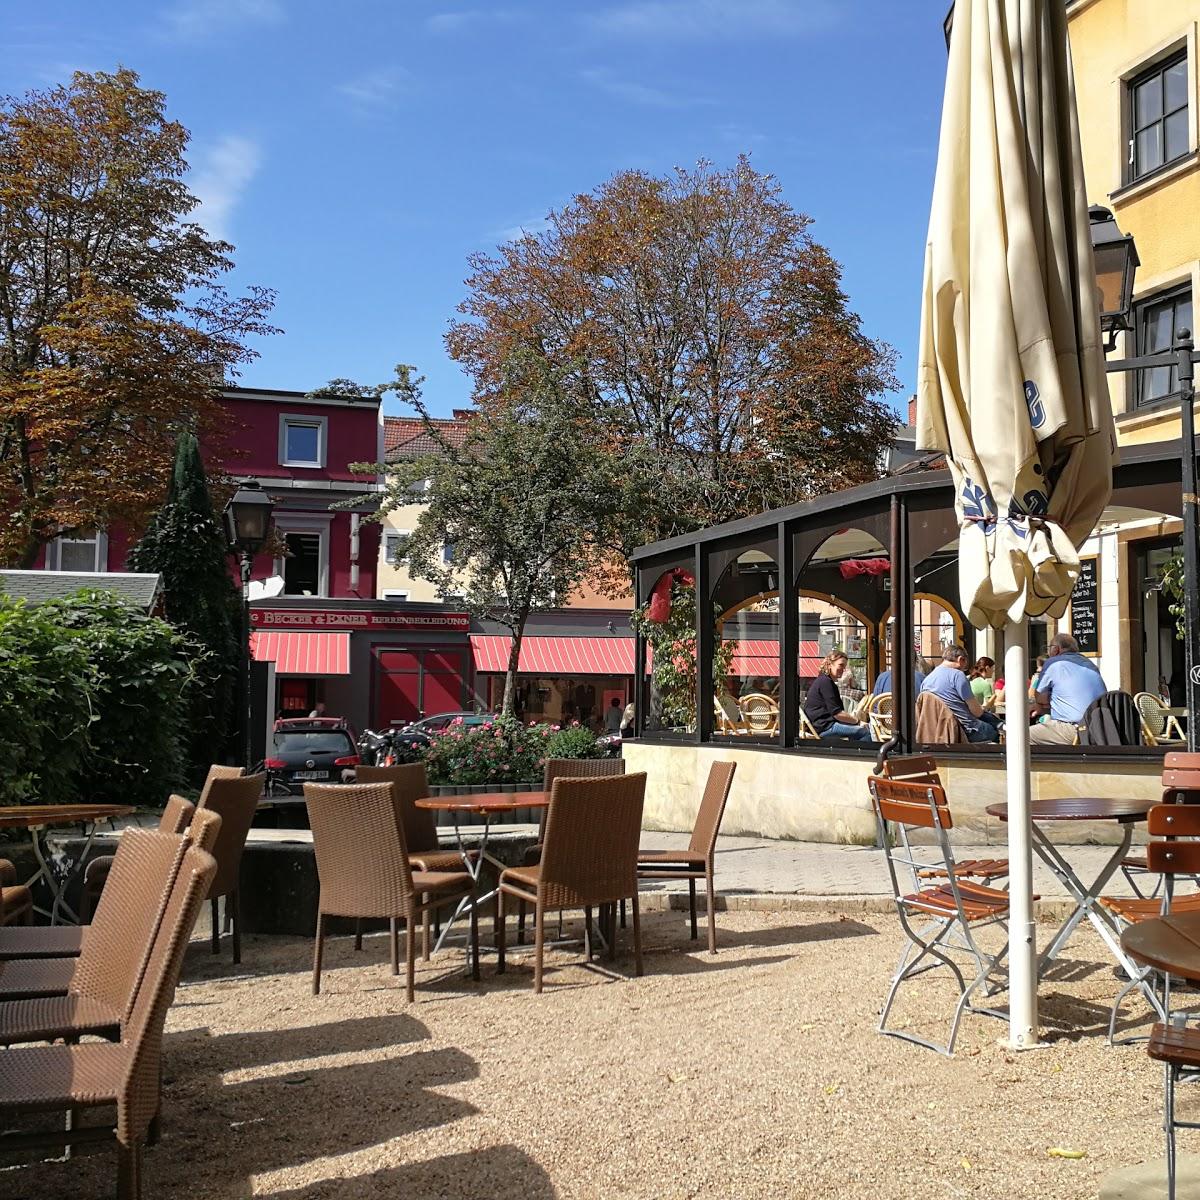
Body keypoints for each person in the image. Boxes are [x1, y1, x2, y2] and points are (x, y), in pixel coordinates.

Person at [1029, 632, 1107, 745]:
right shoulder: (1090, 664)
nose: (1048, 652)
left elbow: (1040, 698)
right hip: (1100, 730)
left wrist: (1046, 701)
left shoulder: (1053, 663)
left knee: (1021, 736)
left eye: (1049, 648)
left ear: (1056, 649)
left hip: (1075, 730)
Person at [920, 645, 1001, 743]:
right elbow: (977, 712)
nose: (964, 668)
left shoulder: (927, 680)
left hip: (939, 730)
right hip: (966, 730)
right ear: (960, 659)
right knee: (997, 731)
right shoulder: (957, 675)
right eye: (965, 665)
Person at [803, 651, 871, 742]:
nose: (843, 669)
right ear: (830, 664)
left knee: (857, 730)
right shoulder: (825, 682)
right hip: (824, 727)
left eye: (844, 667)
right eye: (841, 665)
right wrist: (858, 722)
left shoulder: (824, 681)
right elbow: (837, 713)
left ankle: (851, 752)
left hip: (821, 725)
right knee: (865, 732)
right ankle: (860, 755)